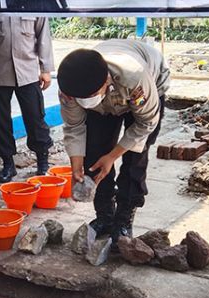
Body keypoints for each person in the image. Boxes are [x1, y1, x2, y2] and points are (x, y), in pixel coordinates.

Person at [56, 40, 171, 246]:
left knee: (135, 158)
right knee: (94, 153)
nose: (85, 100)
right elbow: (74, 126)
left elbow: (146, 123)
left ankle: (124, 218)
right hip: (106, 99)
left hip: (147, 88)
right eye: (80, 98)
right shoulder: (70, 87)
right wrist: (76, 165)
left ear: (106, 81)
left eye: (90, 96)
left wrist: (112, 156)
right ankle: (105, 216)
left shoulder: (134, 77)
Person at [0, 15, 55, 183]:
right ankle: (8, 163)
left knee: (35, 117)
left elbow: (43, 34)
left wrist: (45, 68)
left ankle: (42, 161)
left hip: (28, 71)